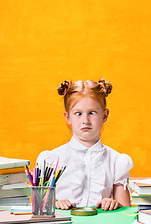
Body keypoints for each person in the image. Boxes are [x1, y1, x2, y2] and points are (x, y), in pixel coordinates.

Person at [36, 79, 133, 211]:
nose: (85, 121)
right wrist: (55, 203)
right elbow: (39, 209)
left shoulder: (116, 161)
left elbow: (126, 212)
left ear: (105, 115)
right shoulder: (51, 160)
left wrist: (114, 204)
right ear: (67, 117)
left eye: (92, 113)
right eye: (78, 114)